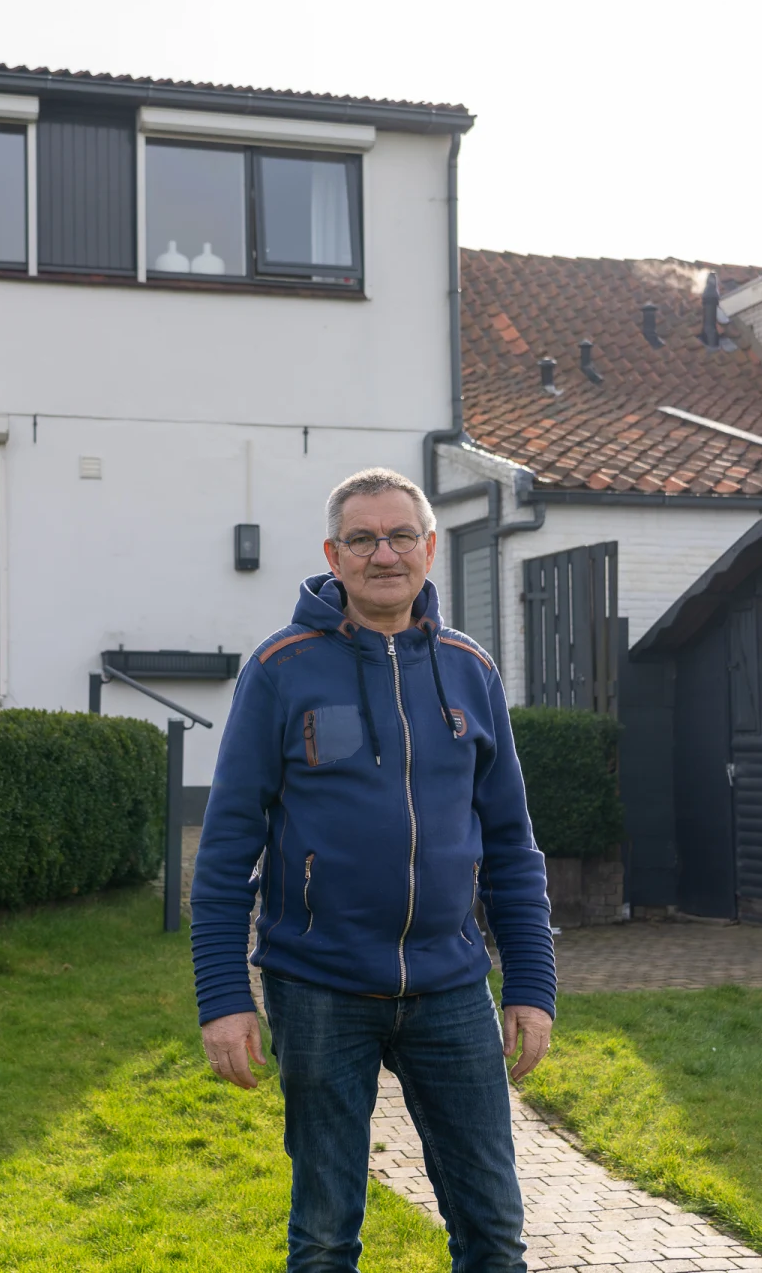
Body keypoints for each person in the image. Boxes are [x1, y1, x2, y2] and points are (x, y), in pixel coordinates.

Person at [191, 466, 556, 1273]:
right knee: (324, 1239)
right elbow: (223, 856)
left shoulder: (471, 671)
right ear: (334, 553)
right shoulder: (281, 669)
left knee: (495, 1234)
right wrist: (224, 999)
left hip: (451, 988)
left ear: (429, 548)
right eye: (362, 538)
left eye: (399, 536)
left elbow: (511, 846)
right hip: (318, 987)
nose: (382, 554)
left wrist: (531, 984)